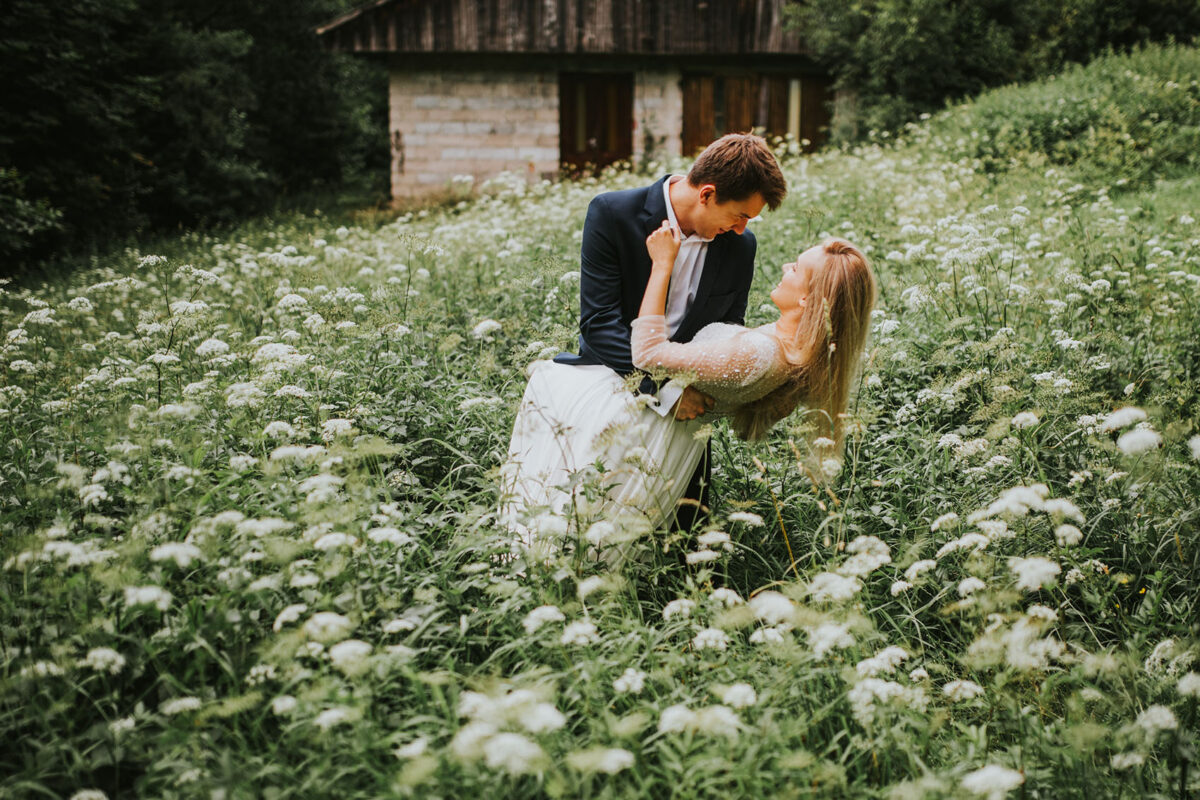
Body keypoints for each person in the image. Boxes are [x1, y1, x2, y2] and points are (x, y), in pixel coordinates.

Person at [499, 228, 877, 555]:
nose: (784, 268)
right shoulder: (793, 353)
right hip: (670, 440)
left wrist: (663, 264)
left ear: (808, 300)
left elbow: (647, 353)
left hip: (640, 433)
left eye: (795, 268)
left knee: (568, 536)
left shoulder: (759, 354)